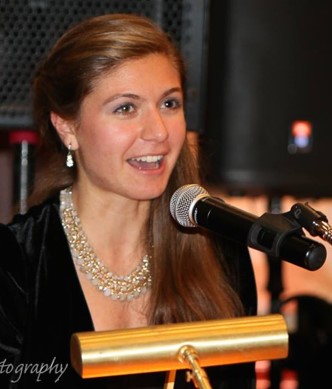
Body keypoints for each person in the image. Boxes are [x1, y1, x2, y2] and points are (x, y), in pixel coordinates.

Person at [0, 13, 257, 388]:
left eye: (170, 104)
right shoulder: (14, 263)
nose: (158, 132)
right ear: (67, 127)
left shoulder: (222, 253)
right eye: (125, 108)